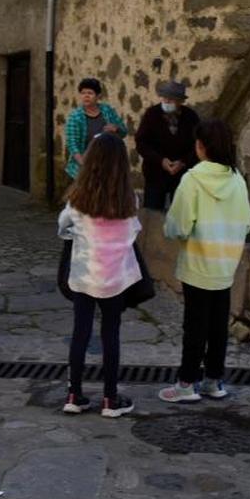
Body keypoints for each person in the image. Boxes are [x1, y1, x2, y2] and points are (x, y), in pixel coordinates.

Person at [158, 119, 250, 403]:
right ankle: (213, 380)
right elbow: (246, 222)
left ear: (201, 146)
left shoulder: (192, 179)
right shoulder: (237, 180)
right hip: (225, 266)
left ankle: (187, 383)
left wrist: (171, 230)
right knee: (218, 326)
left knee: (195, 327)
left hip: (198, 264)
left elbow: (179, 225)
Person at [58, 133, 141, 418]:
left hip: (83, 275)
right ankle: (110, 398)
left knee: (80, 333)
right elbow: (133, 232)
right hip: (115, 278)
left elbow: (63, 227)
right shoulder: (129, 200)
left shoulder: (77, 200)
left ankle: (74, 394)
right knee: (111, 334)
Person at [134, 80, 200, 211]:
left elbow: (197, 145)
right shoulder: (151, 114)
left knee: (181, 215)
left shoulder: (190, 117)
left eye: (171, 99)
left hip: (182, 175)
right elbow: (141, 143)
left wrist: (183, 162)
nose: (167, 102)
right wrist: (160, 160)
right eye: (164, 98)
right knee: (151, 214)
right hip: (155, 174)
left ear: (180, 101)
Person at [64, 78, 126, 180]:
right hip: (82, 167)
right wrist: (84, 164)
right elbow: (72, 144)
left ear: (98, 96)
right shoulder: (75, 116)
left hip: (107, 165)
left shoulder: (107, 110)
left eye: (90, 93)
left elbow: (124, 132)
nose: (86, 96)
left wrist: (116, 129)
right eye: (83, 93)